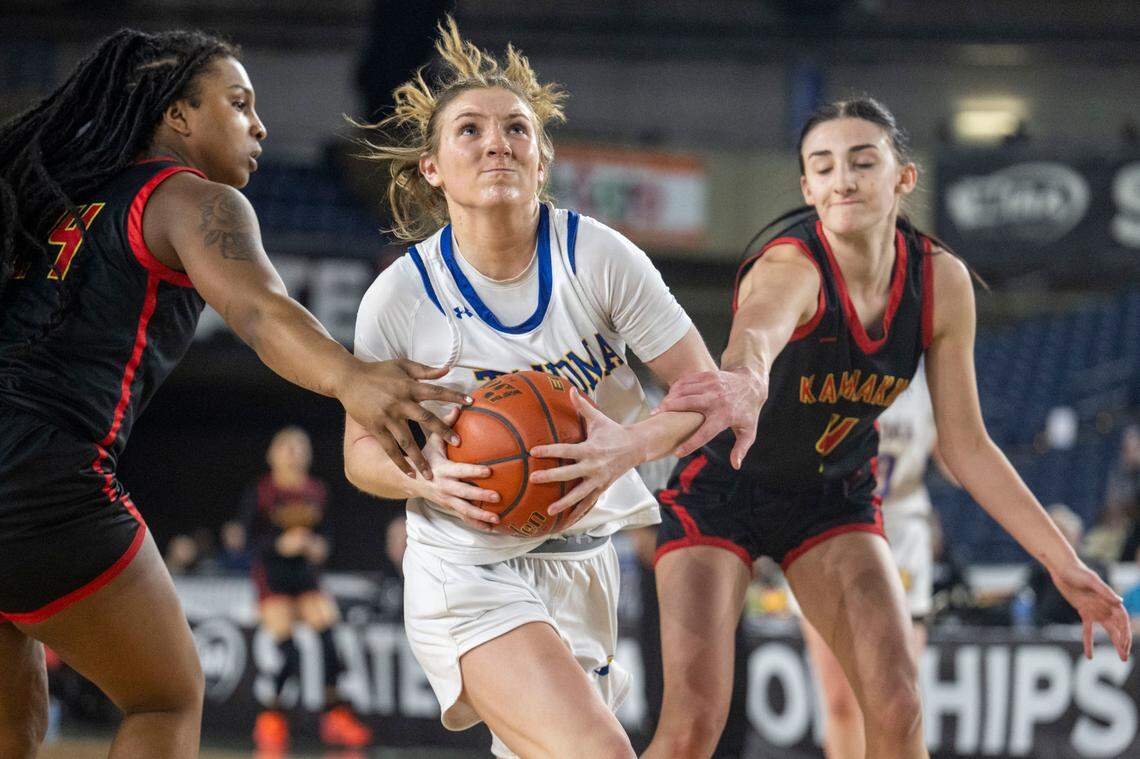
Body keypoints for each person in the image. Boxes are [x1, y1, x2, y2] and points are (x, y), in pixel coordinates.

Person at [0, 29, 470, 759]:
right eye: (239, 103)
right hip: (42, 475)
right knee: (167, 696)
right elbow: (259, 310)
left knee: (13, 707)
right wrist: (351, 377)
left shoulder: (62, 197)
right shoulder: (192, 198)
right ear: (179, 116)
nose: (261, 126)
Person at [644, 97, 1132, 759]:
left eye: (862, 160)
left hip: (830, 500)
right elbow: (755, 333)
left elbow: (967, 447)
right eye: (824, 166)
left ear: (902, 177)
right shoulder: (790, 266)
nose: (843, 177)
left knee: (899, 703)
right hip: (722, 492)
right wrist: (747, 374)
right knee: (692, 725)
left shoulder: (941, 281)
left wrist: (1064, 562)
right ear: (808, 188)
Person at [342, 19, 744, 759]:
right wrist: (429, 480)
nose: (497, 142)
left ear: (542, 157)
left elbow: (706, 393)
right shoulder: (399, 298)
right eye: (470, 130)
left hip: (588, 560)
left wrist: (631, 444)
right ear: (431, 166)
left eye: (516, 129)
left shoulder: (600, 258)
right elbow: (360, 454)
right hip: (465, 562)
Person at [798, 361, 951, 758]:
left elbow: (960, 453)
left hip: (900, 529)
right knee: (840, 700)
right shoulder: (818, 350)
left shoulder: (928, 362)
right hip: (825, 521)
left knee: (895, 700)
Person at [235, 426, 371, 751]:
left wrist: (320, 546)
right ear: (272, 454)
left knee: (329, 641)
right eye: (287, 447)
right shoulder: (262, 492)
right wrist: (280, 543)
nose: (295, 453)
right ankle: (272, 719)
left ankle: (335, 715)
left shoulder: (317, 491)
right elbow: (247, 541)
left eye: (301, 447)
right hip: (273, 579)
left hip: (306, 579)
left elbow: (327, 535)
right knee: (290, 652)